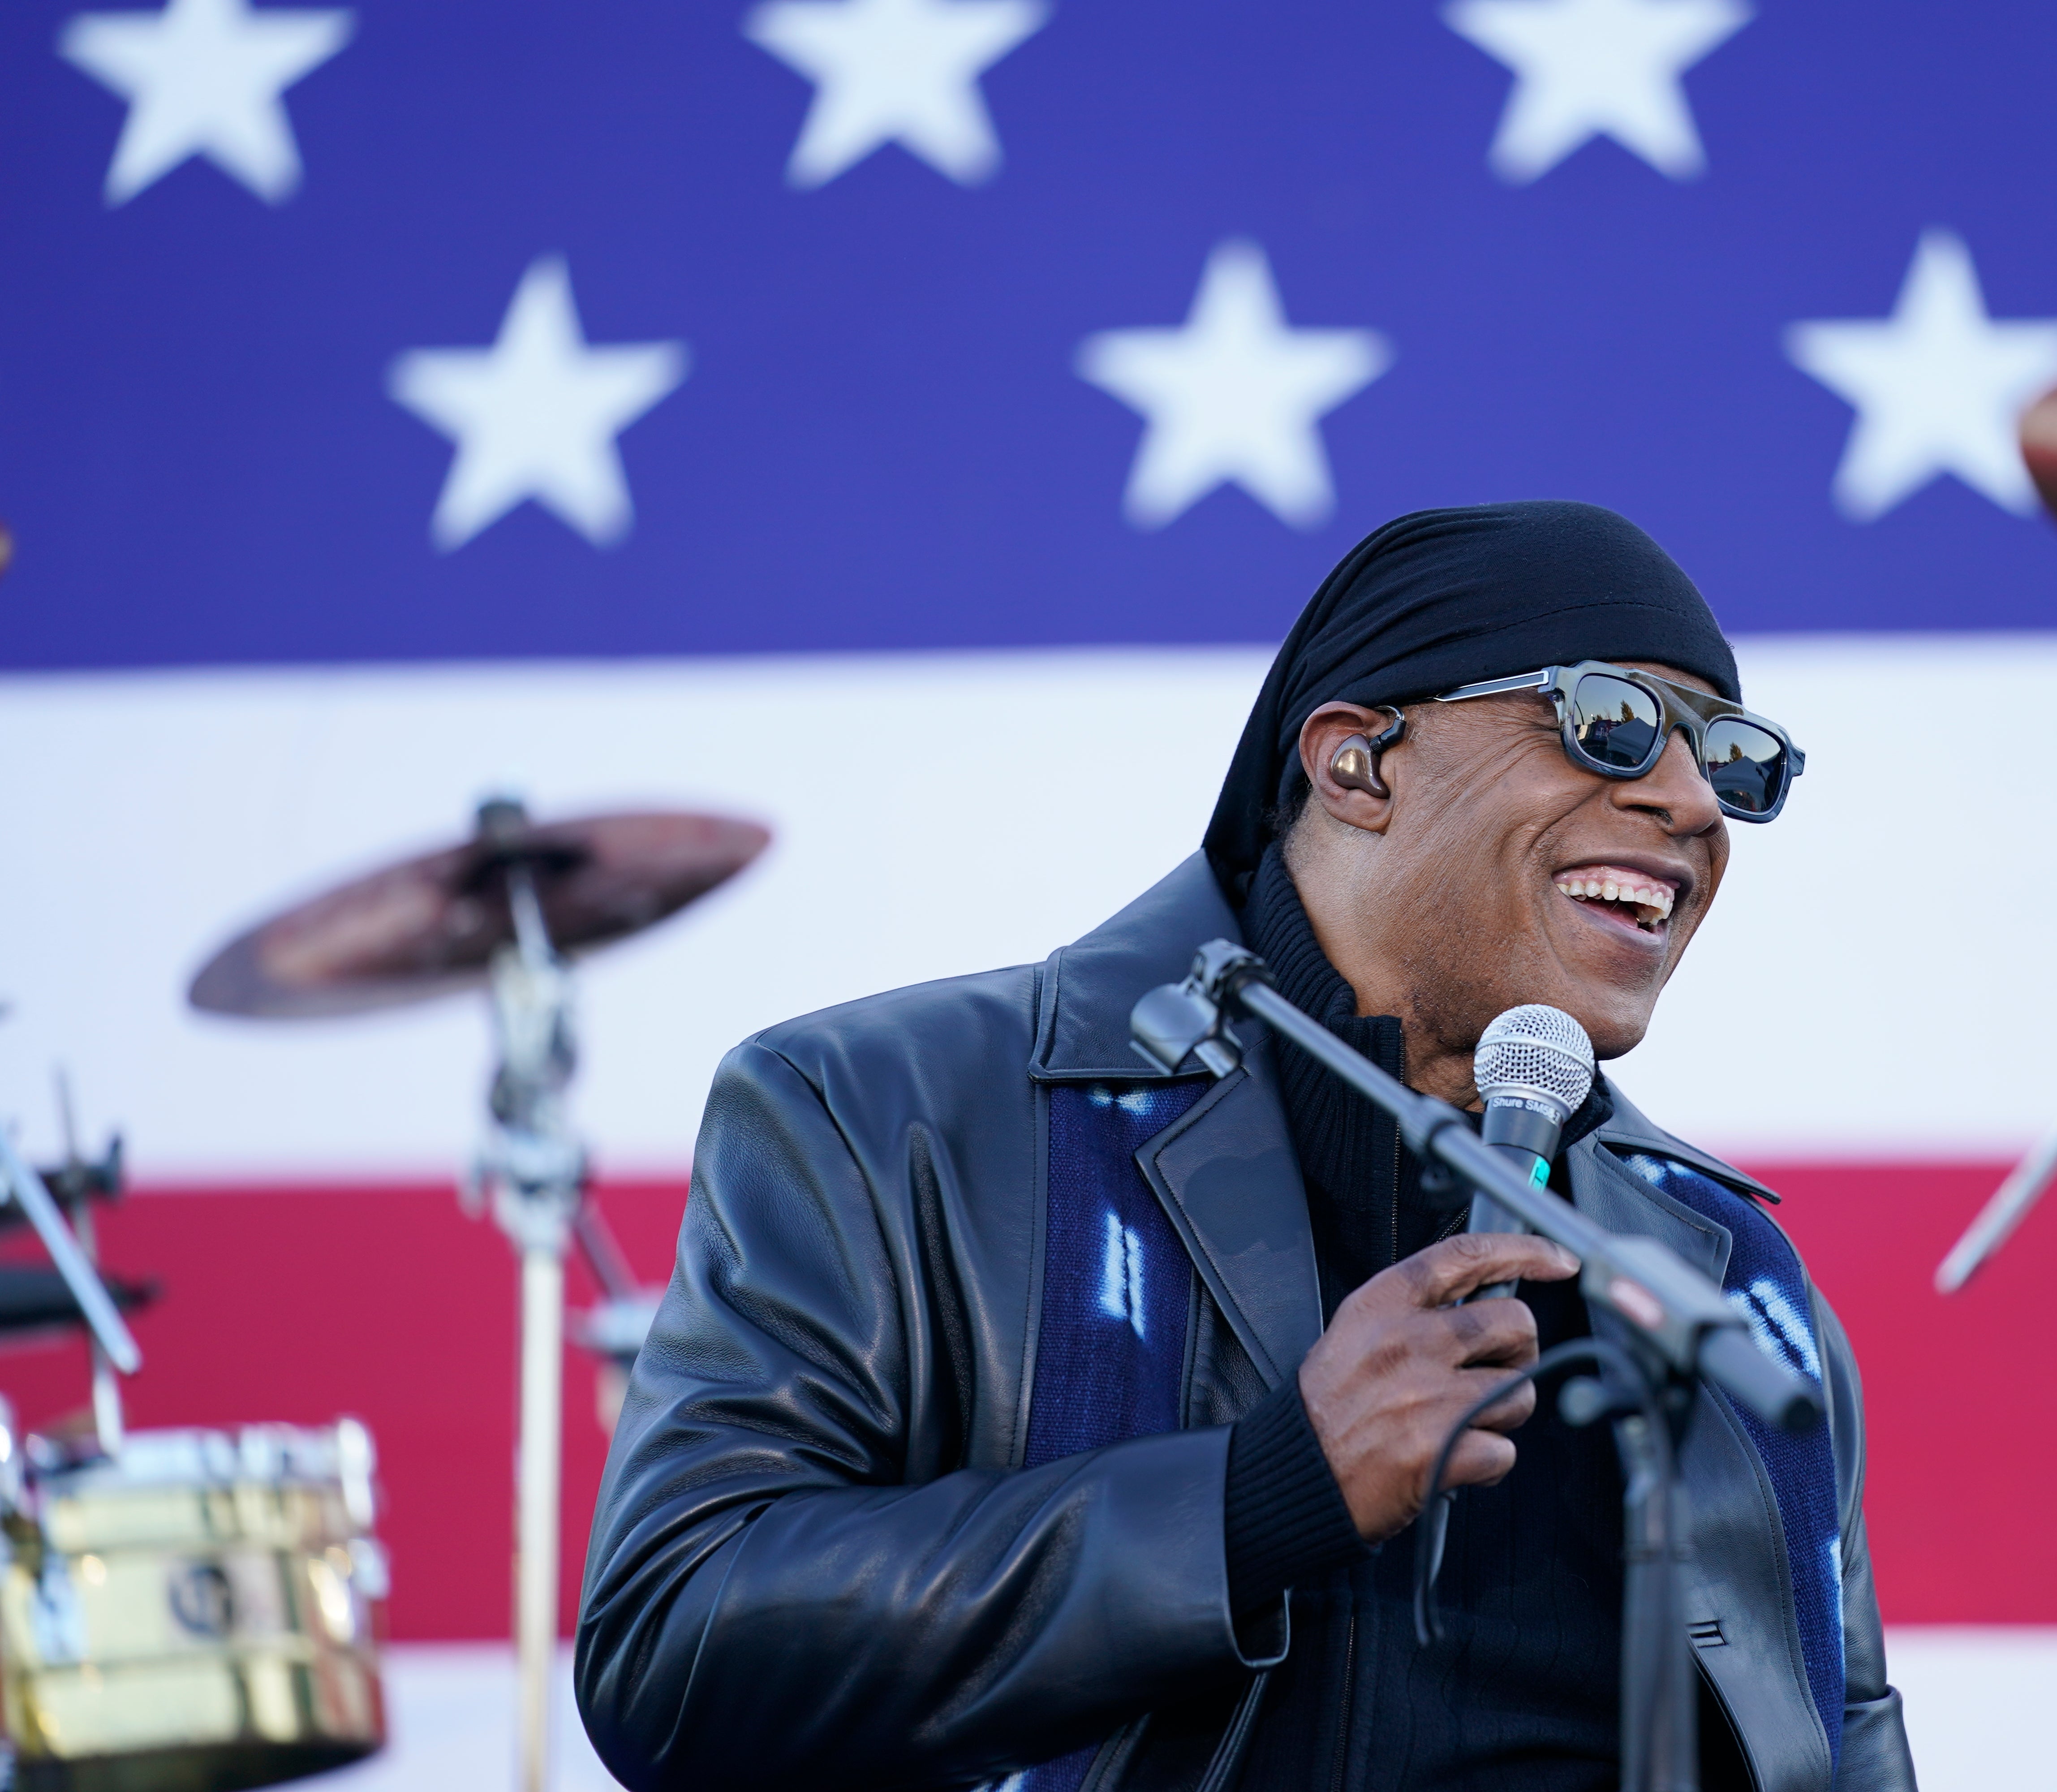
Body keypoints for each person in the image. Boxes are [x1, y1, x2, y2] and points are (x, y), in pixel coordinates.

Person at [575, 501, 1915, 1792]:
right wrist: (1260, 1501)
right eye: (1616, 726)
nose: (1693, 802)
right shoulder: (890, 1112)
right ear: (1357, 762)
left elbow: (1839, 1742)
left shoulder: (1725, 1276)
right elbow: (671, 1652)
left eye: (1732, 759)